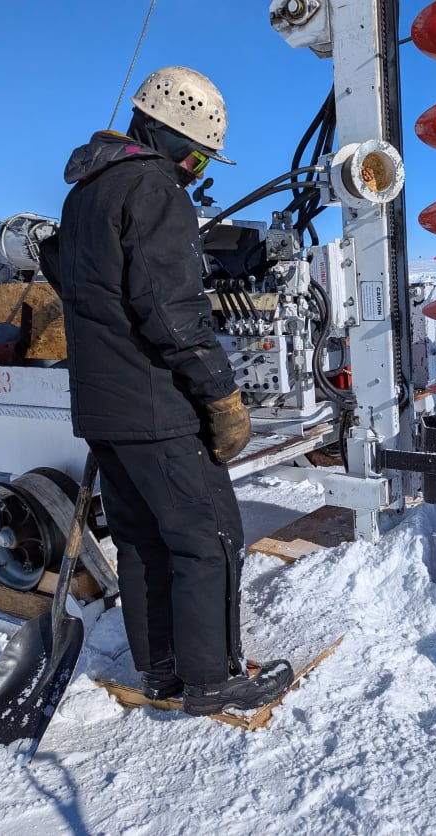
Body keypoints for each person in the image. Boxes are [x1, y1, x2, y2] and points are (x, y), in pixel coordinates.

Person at [41, 66, 292, 715]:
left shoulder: (84, 194)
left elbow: (82, 290)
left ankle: (163, 671)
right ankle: (212, 678)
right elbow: (172, 308)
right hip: (154, 404)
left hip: (101, 408)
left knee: (142, 540)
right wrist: (220, 395)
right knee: (208, 537)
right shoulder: (153, 188)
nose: (197, 168)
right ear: (164, 133)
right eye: (198, 153)